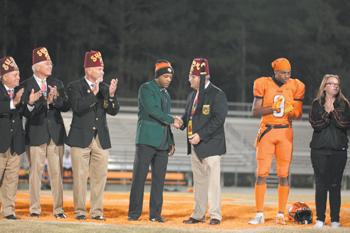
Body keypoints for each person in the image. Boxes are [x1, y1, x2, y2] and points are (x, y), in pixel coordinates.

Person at [248, 58, 305, 225]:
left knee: (283, 174)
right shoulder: (262, 83)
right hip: (267, 131)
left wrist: (290, 110)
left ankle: (280, 212)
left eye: (289, 73)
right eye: (283, 73)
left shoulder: (296, 86)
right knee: (261, 174)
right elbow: (255, 111)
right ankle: (259, 213)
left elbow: (299, 114)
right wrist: (273, 108)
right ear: (275, 72)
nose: (287, 76)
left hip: (285, 132)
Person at [66, 50, 119, 220]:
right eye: (98, 68)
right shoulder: (75, 86)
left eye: (102, 68)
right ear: (88, 69)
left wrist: (110, 95)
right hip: (80, 138)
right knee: (80, 178)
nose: (102, 71)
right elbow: (78, 108)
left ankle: (96, 212)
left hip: (100, 139)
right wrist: (93, 93)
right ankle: (80, 211)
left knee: (99, 178)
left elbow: (113, 111)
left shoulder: (104, 88)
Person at [128, 60, 181, 222]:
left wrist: (170, 140)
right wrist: (173, 120)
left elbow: (164, 118)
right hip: (146, 140)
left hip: (163, 143)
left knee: (159, 181)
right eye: (165, 76)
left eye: (170, 77)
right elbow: (153, 111)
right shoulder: (146, 88)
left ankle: (155, 214)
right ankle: (134, 213)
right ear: (157, 76)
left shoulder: (166, 93)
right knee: (139, 178)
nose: (168, 79)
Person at [22, 47, 70, 218]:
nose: (50, 64)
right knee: (35, 174)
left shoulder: (57, 83)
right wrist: (31, 102)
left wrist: (54, 100)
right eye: (46, 62)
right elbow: (24, 112)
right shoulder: (27, 85)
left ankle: (59, 210)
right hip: (35, 134)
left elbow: (66, 106)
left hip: (55, 135)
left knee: (57, 174)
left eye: (51, 62)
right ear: (36, 66)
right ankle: (34, 209)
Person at [181, 58, 228, 225]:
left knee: (213, 183)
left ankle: (215, 215)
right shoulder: (192, 95)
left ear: (202, 77)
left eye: (192, 76)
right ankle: (198, 213)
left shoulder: (217, 94)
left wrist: (200, 135)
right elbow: (188, 116)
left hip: (211, 145)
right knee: (199, 182)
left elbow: (218, 119)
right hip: (195, 145)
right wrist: (181, 122)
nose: (189, 79)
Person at [309, 74, 349, 229]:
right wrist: (326, 112)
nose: (335, 86)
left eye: (337, 84)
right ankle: (320, 219)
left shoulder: (344, 104)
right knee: (321, 185)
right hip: (319, 150)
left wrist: (333, 112)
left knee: (335, 185)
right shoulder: (316, 104)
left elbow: (345, 123)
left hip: (339, 150)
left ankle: (335, 220)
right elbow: (316, 124)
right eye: (332, 83)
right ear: (324, 86)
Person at [0, 56, 27, 220]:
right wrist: (14, 102)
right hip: (0, 143)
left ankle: (8, 210)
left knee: (11, 180)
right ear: (4, 76)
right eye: (15, 74)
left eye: (18, 74)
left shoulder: (20, 92)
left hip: (16, 144)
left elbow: (26, 114)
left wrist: (29, 103)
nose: (18, 77)